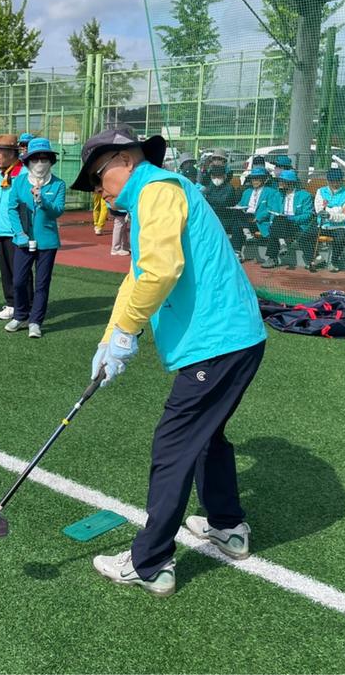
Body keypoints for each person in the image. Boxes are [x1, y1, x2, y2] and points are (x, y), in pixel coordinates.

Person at [72, 126, 266, 597]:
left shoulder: (156, 190)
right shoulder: (150, 196)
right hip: (232, 339)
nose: (98, 191)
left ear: (125, 160)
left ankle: (151, 562)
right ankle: (227, 526)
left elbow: (161, 271)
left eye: (97, 178)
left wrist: (126, 333)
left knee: (173, 445)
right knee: (206, 435)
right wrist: (110, 339)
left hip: (218, 343)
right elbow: (137, 277)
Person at [5, 137, 66, 339]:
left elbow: (58, 211)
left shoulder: (58, 184)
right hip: (22, 241)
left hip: (47, 242)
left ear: (51, 161)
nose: (40, 163)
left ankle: (35, 322)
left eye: (44, 158)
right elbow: (12, 208)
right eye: (35, 159)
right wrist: (19, 233)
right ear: (28, 161)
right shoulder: (20, 182)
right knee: (19, 281)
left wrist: (42, 200)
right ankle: (20, 315)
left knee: (42, 283)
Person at [0, 133, 26, 320]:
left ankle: (26, 305)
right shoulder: (2, 174)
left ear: (12, 153)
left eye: (0, 152)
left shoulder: (23, 174)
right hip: (1, 231)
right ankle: (12, 303)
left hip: (17, 233)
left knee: (20, 272)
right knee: (6, 272)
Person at [261, 169, 313, 269]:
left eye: (282, 181)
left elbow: (308, 215)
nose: (279, 183)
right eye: (279, 181)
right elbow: (273, 211)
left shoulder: (304, 195)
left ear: (291, 183)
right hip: (280, 224)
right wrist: (271, 222)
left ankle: (273, 258)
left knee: (278, 224)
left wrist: (293, 218)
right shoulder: (278, 195)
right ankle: (282, 244)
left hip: (296, 225)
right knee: (278, 221)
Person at [307, 168, 345, 273]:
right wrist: (336, 209)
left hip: (341, 226)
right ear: (328, 180)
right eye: (332, 181)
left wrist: (329, 214)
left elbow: (343, 216)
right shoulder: (320, 191)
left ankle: (334, 262)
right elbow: (319, 209)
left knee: (341, 239)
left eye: (338, 181)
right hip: (322, 225)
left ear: (342, 180)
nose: (335, 183)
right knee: (304, 237)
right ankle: (318, 259)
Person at [230, 167, 281, 262]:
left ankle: (246, 235)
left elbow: (270, 209)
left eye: (257, 179)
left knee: (238, 223)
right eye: (253, 179)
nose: (255, 181)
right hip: (246, 218)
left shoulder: (271, 192)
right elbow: (241, 204)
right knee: (237, 220)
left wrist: (257, 218)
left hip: (259, 221)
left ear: (264, 179)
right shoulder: (247, 192)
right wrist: (237, 207)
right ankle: (238, 251)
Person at [201, 161, 239, 234]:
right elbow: (204, 198)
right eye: (214, 177)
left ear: (224, 176)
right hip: (211, 217)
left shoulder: (229, 188)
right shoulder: (210, 186)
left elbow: (223, 201)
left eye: (219, 177)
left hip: (225, 218)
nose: (216, 179)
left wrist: (209, 198)